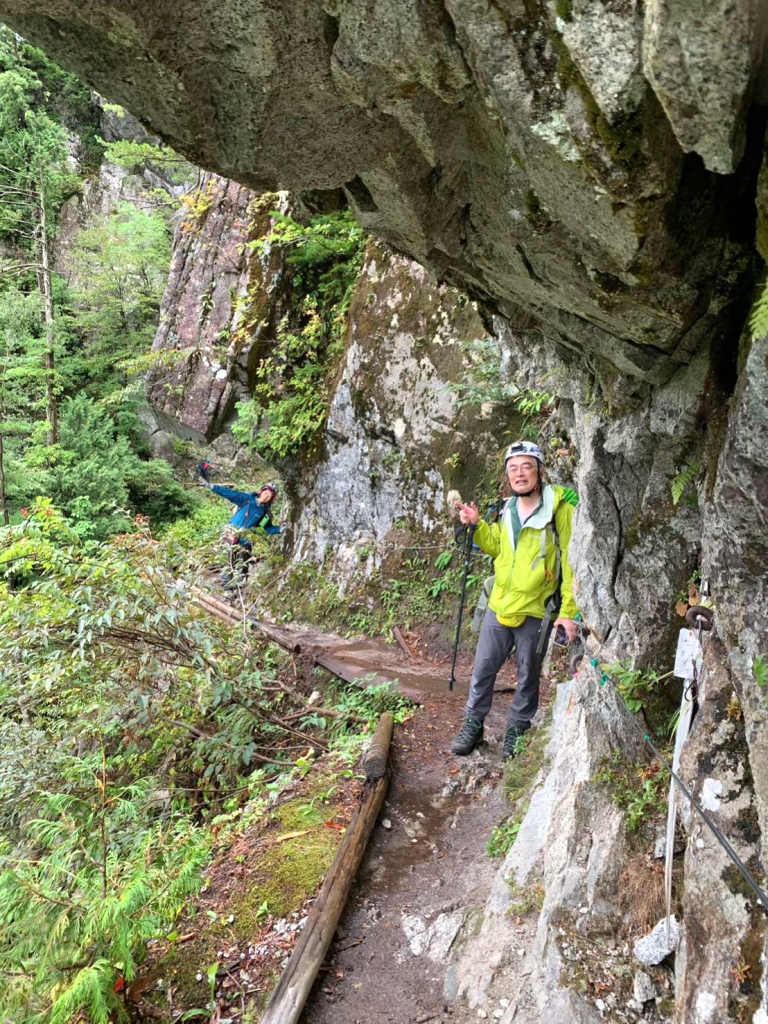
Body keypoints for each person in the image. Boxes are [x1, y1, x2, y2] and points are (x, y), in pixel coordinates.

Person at [451, 440, 579, 761]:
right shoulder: (507, 509)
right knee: (483, 668)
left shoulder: (559, 511)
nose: (519, 474)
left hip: (536, 609)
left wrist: (568, 613)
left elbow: (573, 565)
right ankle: (474, 723)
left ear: (539, 471)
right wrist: (477, 525)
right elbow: (497, 547)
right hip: (500, 603)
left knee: (528, 674)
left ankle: (517, 729)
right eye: (513, 469)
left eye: (526, 467)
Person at [198, 466, 281, 589]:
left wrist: (279, 530)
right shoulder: (246, 499)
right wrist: (212, 487)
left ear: (271, 500)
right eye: (266, 493)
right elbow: (230, 494)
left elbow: (267, 528)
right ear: (262, 491)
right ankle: (225, 586)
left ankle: (238, 587)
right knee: (227, 559)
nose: (266, 496)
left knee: (242, 563)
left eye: (269, 496)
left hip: (245, 540)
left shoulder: (265, 514)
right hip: (231, 533)